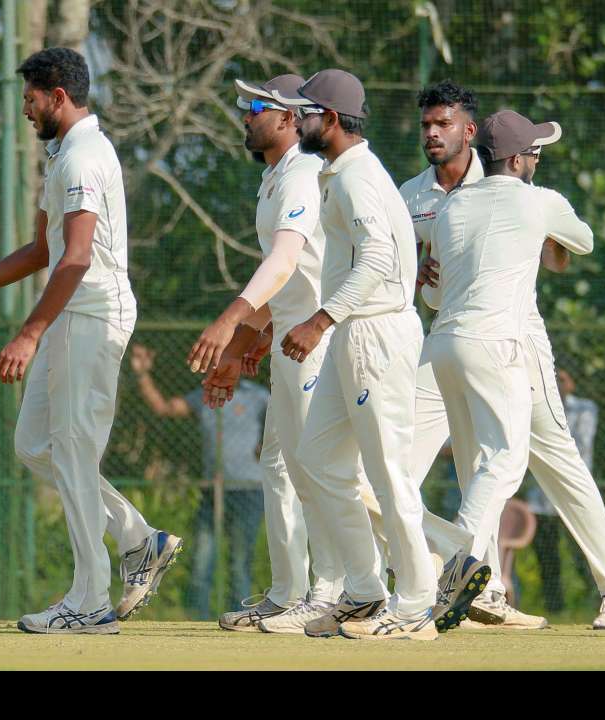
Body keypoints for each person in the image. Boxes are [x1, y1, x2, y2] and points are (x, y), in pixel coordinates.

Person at [0, 48, 181, 634]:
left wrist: (28, 333)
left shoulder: (85, 156)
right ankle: (139, 539)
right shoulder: (62, 154)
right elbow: (43, 252)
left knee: (71, 449)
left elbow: (77, 257)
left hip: (91, 314)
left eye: (31, 98)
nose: (25, 109)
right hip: (71, 313)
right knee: (33, 445)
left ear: (59, 96)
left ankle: (90, 600)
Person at [405, 85, 605, 631]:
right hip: (507, 347)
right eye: (534, 151)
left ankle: (481, 584)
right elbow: (583, 243)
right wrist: (544, 229)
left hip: (441, 347)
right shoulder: (541, 199)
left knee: (470, 465)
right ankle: (469, 564)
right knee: (511, 460)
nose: (538, 159)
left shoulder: (449, 209)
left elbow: (432, 296)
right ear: (518, 158)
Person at [185, 74, 352, 633]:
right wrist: (240, 352)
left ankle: (331, 593)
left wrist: (228, 323)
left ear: (288, 117)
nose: (244, 115)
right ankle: (289, 593)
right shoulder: (275, 177)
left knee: (316, 469)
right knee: (279, 466)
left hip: (318, 342)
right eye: (243, 106)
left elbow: (282, 266)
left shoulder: (303, 173)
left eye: (255, 106)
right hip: (287, 342)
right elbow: (285, 285)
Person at [273, 70, 437, 640]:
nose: (296, 122)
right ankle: (366, 592)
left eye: (306, 114)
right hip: (354, 333)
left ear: (333, 120)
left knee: (390, 473)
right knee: (318, 460)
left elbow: (378, 261)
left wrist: (319, 321)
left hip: (376, 333)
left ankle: (416, 605)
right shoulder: (340, 173)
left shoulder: (357, 179)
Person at [130, 344, 267, 619]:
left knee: (240, 563)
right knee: (201, 560)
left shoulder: (260, 397)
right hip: (211, 490)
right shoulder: (205, 395)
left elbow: (283, 424)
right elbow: (164, 408)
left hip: (249, 490)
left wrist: (267, 447)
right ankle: (198, 621)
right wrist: (142, 375)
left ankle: (240, 619)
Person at [525, 369, 596, 615]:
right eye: (553, 379)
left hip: (572, 494)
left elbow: (579, 443)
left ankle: (598, 600)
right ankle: (554, 607)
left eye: (562, 379)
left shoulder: (585, 408)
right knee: (548, 558)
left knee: (583, 554)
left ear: (572, 383)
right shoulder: (533, 407)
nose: (558, 384)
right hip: (541, 498)